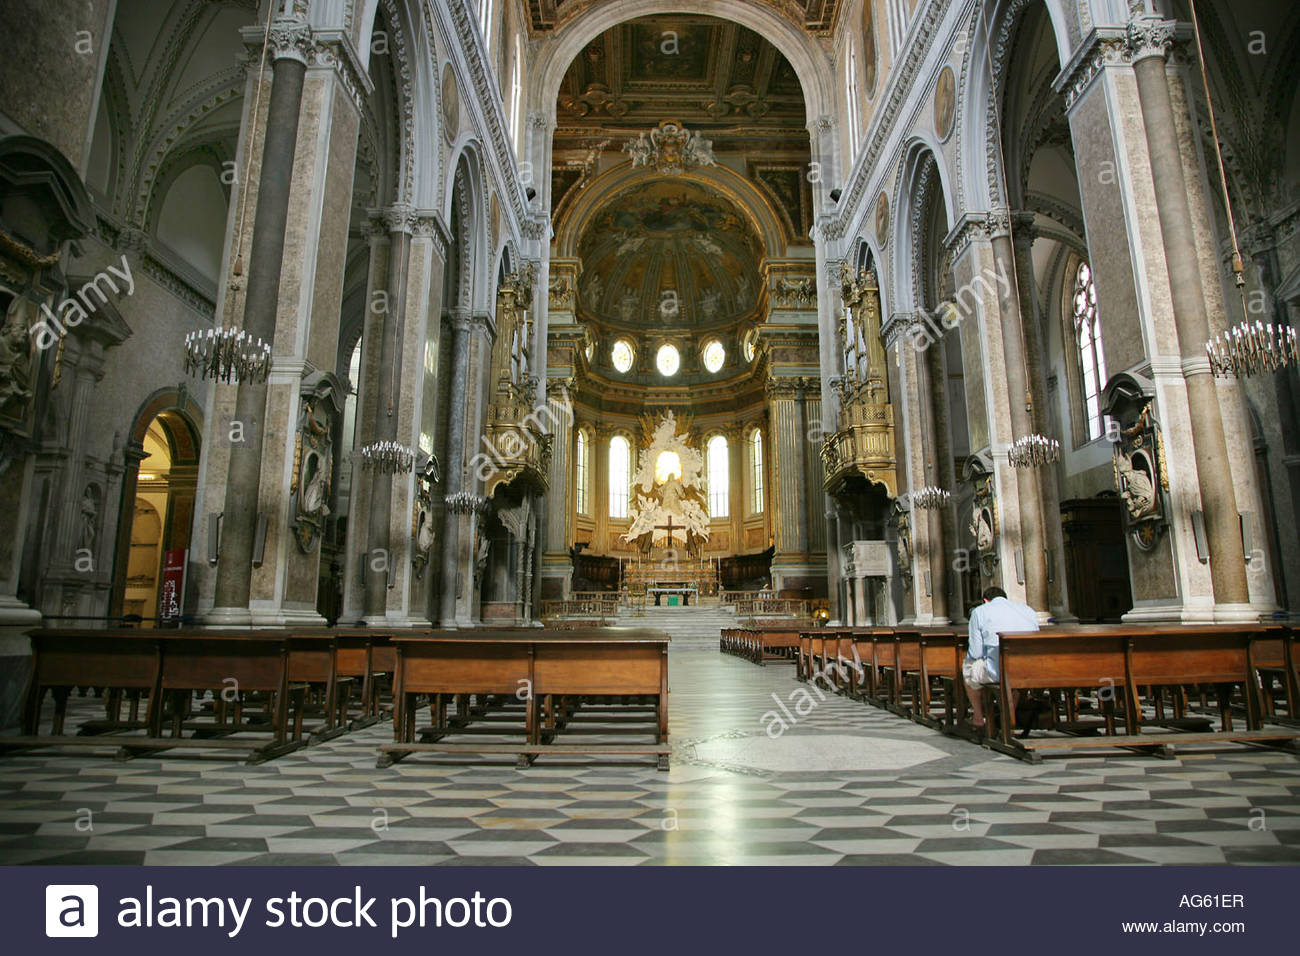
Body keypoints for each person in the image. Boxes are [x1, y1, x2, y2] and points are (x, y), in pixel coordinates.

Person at [964, 586, 1039, 728]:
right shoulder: (1027, 610)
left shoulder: (979, 612)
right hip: (1028, 670)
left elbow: (975, 652)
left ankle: (978, 717)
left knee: (968, 669)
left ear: (985, 601)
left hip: (998, 670)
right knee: (1016, 679)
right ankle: (1008, 716)